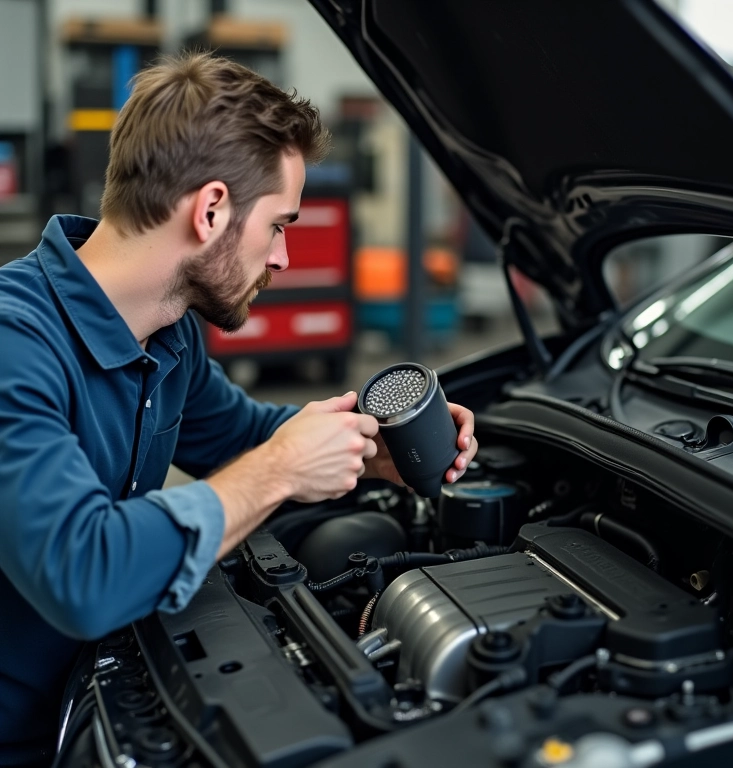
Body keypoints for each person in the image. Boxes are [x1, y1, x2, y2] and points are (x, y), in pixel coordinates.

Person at [0, 52, 478, 766]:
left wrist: (366, 450)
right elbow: (85, 573)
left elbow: (241, 437)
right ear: (212, 208)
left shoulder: (170, 335)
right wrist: (279, 471)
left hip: (98, 696)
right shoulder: (14, 343)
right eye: (279, 224)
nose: (283, 255)